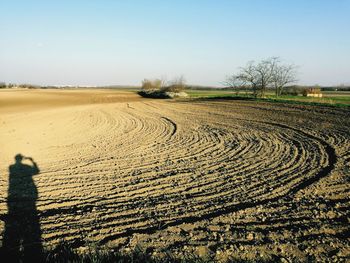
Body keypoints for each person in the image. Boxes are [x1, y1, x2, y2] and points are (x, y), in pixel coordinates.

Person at [2, 154, 43, 260]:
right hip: (27, 196)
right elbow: (36, 171)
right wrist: (33, 161)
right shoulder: (24, 167)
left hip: (13, 193)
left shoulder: (12, 167)